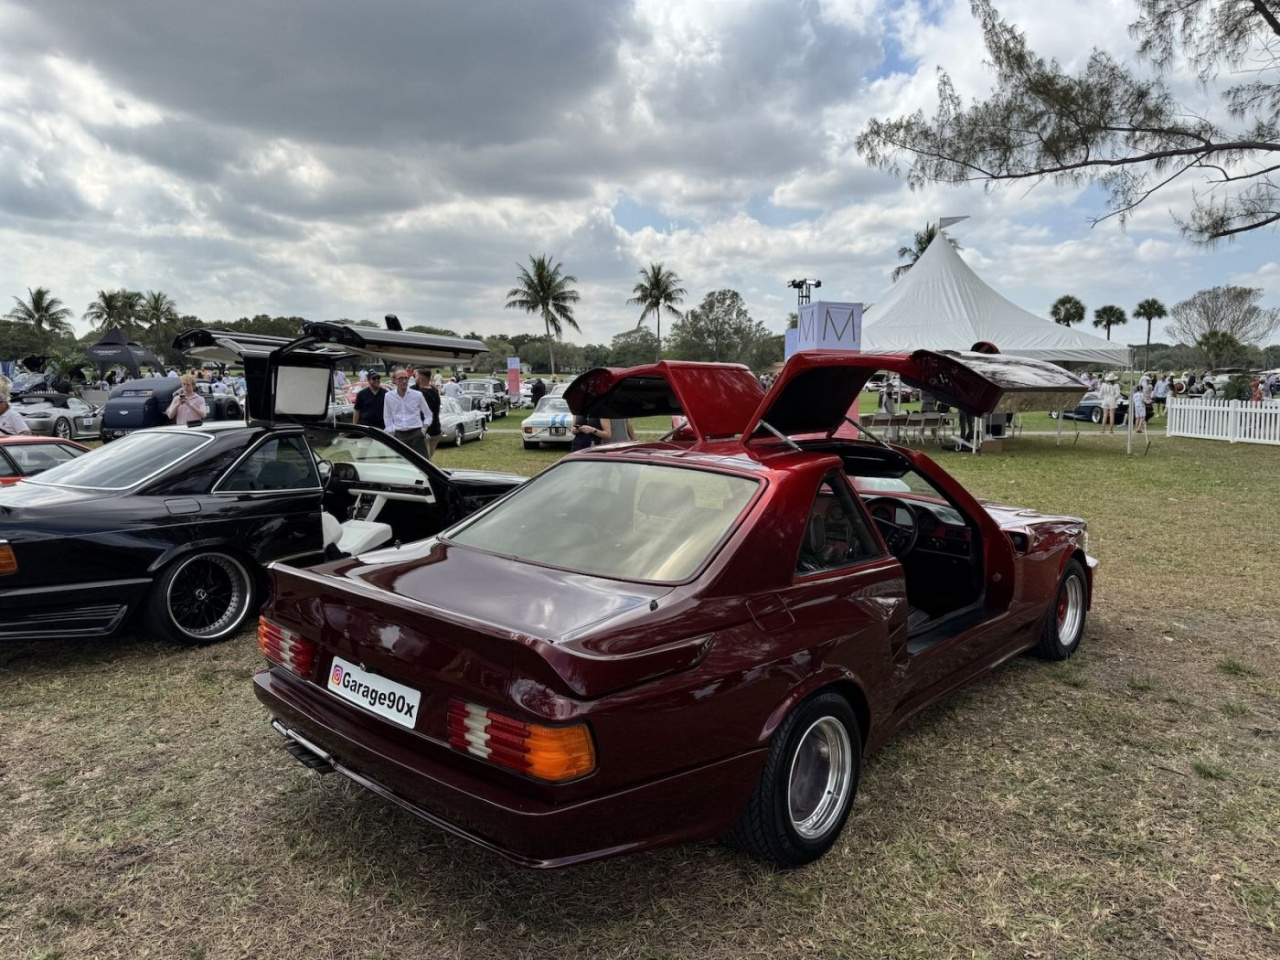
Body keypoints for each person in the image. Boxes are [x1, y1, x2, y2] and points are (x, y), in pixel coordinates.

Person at [383, 368, 431, 456]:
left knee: (420, 461)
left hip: (416, 433)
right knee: (402, 461)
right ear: (394, 380)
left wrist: (423, 430)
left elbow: (428, 414)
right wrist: (391, 431)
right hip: (399, 434)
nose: (404, 381)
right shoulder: (388, 396)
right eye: (400, 378)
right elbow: (387, 416)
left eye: (406, 378)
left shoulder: (417, 395)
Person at [414, 368, 443, 458]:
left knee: (423, 458)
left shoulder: (419, 393)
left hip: (425, 430)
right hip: (436, 429)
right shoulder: (434, 390)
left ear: (420, 379)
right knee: (428, 456)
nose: (414, 379)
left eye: (415, 377)